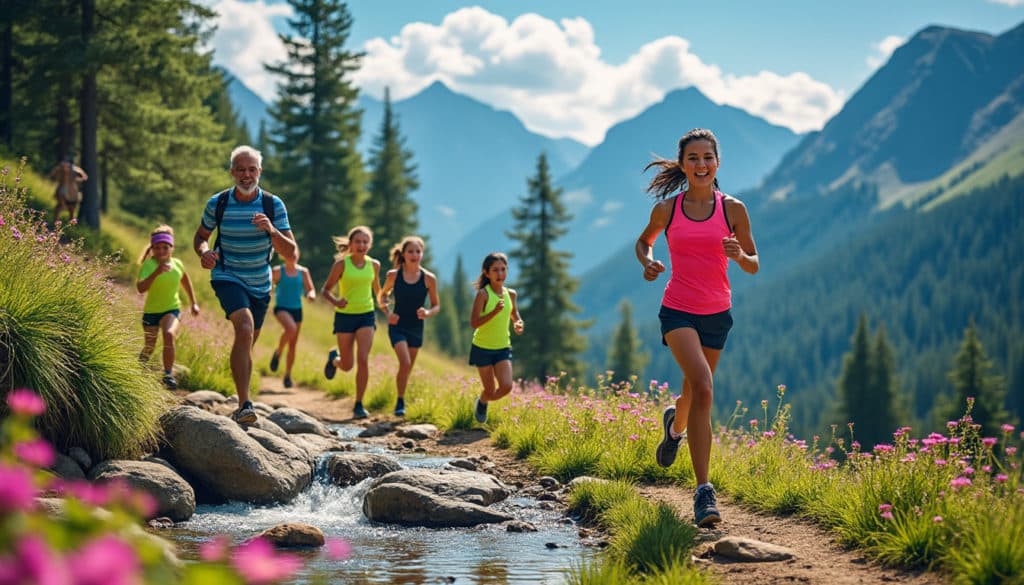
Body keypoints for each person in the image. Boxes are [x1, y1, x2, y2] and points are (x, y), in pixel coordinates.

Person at [636, 128, 759, 528]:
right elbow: (643, 242)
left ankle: (674, 428)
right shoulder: (668, 210)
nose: (701, 164)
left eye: (708, 157)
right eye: (693, 158)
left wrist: (740, 255)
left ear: (717, 163)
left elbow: (754, 262)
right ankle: (704, 492)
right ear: (683, 164)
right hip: (678, 311)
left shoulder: (734, 209)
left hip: (717, 313)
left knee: (693, 390)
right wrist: (649, 262)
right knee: (704, 386)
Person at [193, 145, 297, 425]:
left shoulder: (272, 205)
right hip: (227, 274)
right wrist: (204, 252)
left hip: (260, 283)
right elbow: (201, 236)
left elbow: (291, 254)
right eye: (241, 169)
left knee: (248, 340)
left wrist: (271, 230)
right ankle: (244, 404)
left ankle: (238, 395)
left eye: (252, 169)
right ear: (232, 172)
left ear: (260, 172)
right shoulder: (219, 203)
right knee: (245, 327)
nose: (246, 175)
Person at [321, 225, 382, 419]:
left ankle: (359, 404)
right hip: (345, 316)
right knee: (347, 365)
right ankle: (334, 359)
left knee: (363, 358)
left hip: (366, 315)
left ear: (369, 245)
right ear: (351, 244)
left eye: (365, 242)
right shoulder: (341, 264)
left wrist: (386, 301)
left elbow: (378, 291)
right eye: (358, 241)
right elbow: (326, 290)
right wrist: (337, 301)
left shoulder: (374, 265)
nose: (361, 245)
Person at [377, 236, 441, 417]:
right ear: (403, 254)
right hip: (397, 325)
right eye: (410, 251)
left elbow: (436, 305)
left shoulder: (429, 279)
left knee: (407, 368)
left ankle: (400, 397)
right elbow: (382, 296)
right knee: (404, 362)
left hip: (416, 327)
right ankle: (400, 402)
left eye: (418, 251)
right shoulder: (393, 275)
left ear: (422, 254)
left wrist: (428, 313)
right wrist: (388, 314)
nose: (414, 255)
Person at [136, 225, 200, 389]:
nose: (161, 250)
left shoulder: (178, 264)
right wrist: (157, 272)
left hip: (172, 308)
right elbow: (141, 288)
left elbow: (186, 282)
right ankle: (137, 370)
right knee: (149, 347)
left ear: (172, 247)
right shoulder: (148, 265)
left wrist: (193, 302)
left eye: (165, 247)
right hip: (151, 312)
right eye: (157, 247)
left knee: (169, 334)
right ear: (152, 248)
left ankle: (168, 374)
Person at [468, 252, 524, 424]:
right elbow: (474, 323)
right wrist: (493, 312)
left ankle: (482, 402)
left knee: (507, 386)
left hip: (502, 347)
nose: (500, 274)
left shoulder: (511, 294)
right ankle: (483, 401)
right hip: (482, 348)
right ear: (487, 273)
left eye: (503, 269)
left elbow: (514, 314)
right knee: (490, 389)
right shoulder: (483, 295)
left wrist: (518, 323)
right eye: (495, 270)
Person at [269, 251, 316, 389]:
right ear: (284, 255)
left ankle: (288, 375)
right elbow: (267, 284)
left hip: (297, 310)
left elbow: (310, 289)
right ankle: (278, 352)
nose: (293, 255)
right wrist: (268, 294)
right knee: (290, 329)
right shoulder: (277, 271)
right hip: (281, 308)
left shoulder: (303, 272)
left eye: (295, 252)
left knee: (293, 345)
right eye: (290, 252)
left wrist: (311, 295)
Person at [49, 157, 88, 223]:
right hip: (68, 190)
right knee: (63, 207)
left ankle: (58, 223)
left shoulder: (73, 169)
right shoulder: (73, 168)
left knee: (67, 208)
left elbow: (84, 177)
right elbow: (84, 177)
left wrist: (76, 179)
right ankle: (58, 223)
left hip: (69, 190)